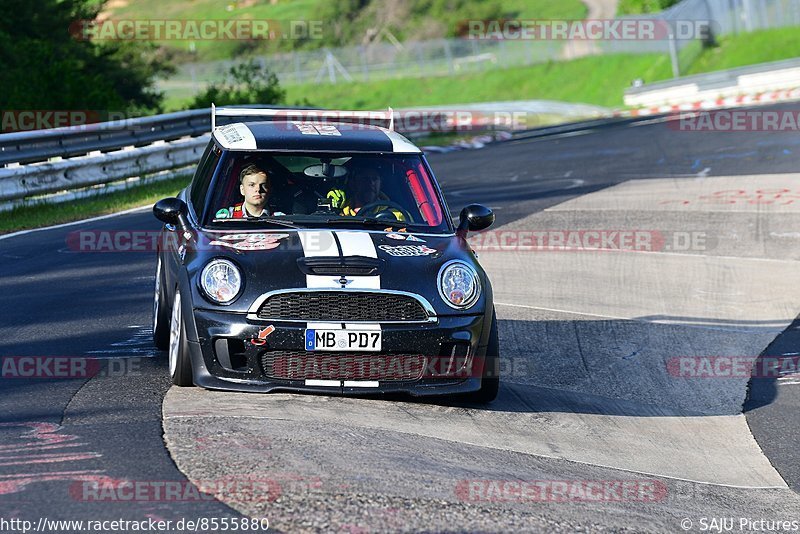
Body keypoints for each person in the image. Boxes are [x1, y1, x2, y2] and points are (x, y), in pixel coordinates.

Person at [327, 166, 404, 220]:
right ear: (352, 183)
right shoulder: (339, 215)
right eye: (364, 179)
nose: (371, 183)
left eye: (375, 179)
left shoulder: (397, 214)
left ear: (381, 184)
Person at [216, 163, 283, 218]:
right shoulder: (229, 217)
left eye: (263, 185)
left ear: (269, 189)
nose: (258, 189)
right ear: (242, 190)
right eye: (252, 185)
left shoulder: (280, 219)